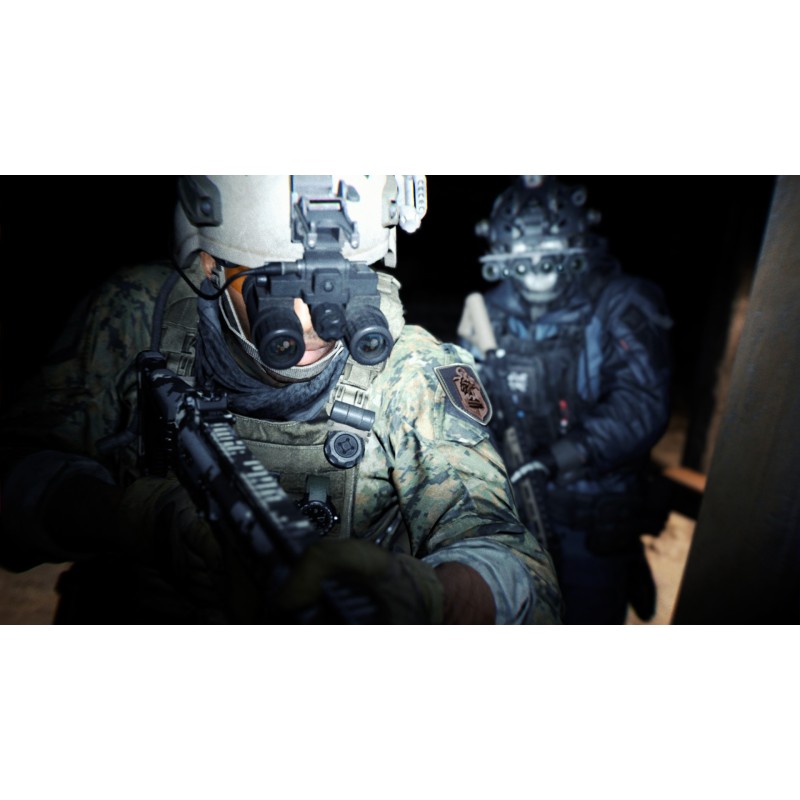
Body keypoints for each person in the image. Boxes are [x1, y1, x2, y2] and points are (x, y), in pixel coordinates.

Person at [0, 175, 561, 624]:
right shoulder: (139, 315)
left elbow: (517, 571)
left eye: (340, 283)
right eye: (275, 286)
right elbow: (15, 472)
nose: (312, 319)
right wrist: (130, 518)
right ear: (210, 265)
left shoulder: (409, 372)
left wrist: (426, 598)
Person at [457, 175, 672, 624]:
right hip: (513, 511)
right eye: (522, 253)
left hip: (592, 518)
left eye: (550, 250)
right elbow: (465, 396)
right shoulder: (486, 311)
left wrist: (561, 457)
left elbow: (641, 404)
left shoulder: (620, 301)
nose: (536, 266)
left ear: (576, 243)